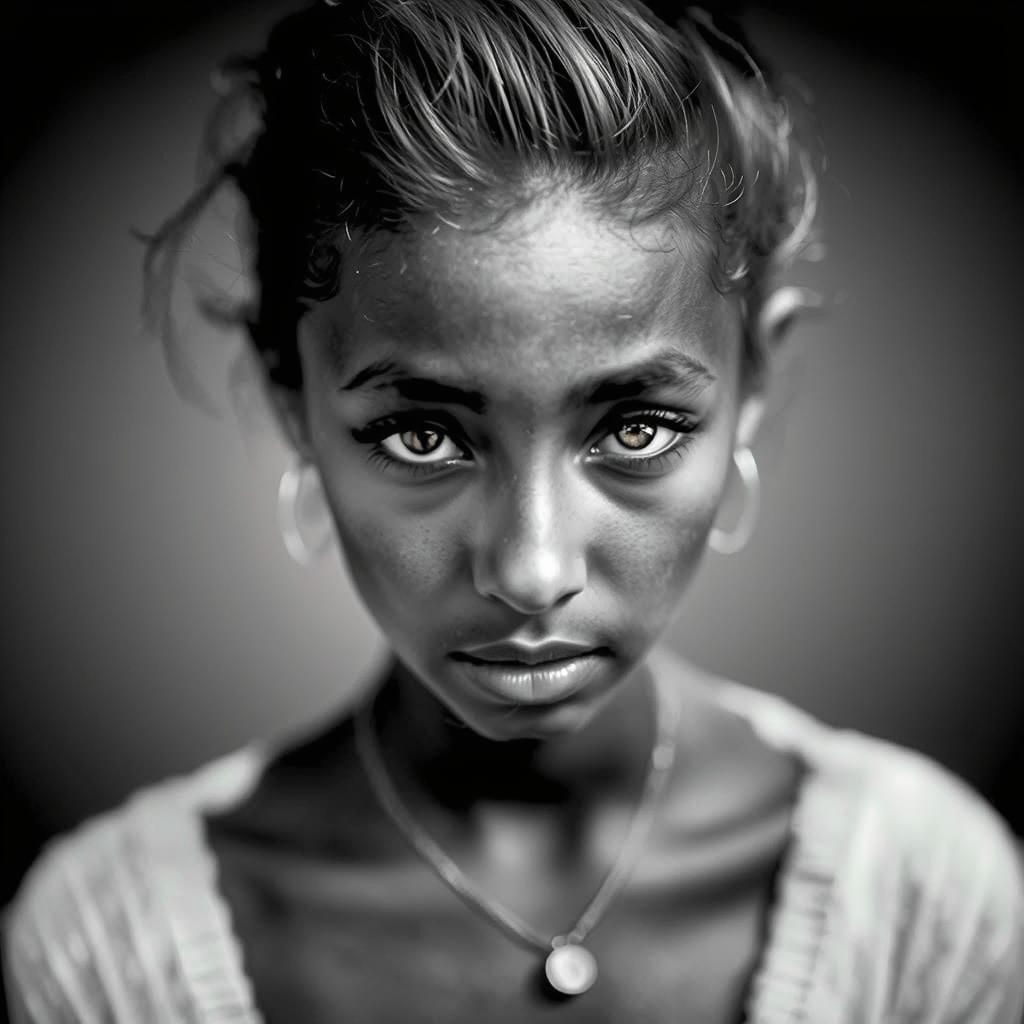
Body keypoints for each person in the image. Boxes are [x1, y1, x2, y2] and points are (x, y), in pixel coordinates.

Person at [3, 0, 1023, 1021]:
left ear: (754, 382)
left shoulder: (925, 899)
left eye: (635, 429)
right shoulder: (111, 949)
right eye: (422, 435)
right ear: (293, 405)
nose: (533, 571)